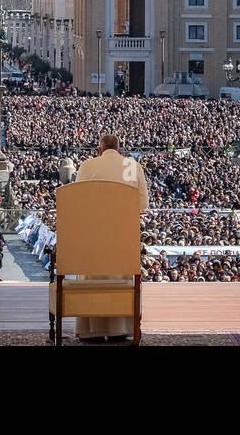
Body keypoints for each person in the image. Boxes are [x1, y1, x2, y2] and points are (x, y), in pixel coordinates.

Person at [73, 133, 150, 341]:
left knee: (93, 279)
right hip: (123, 234)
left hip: (93, 235)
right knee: (120, 280)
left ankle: (92, 331)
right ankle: (120, 329)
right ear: (120, 150)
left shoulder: (87, 166)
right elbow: (142, 205)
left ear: (99, 150)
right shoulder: (133, 167)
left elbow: (77, 202)